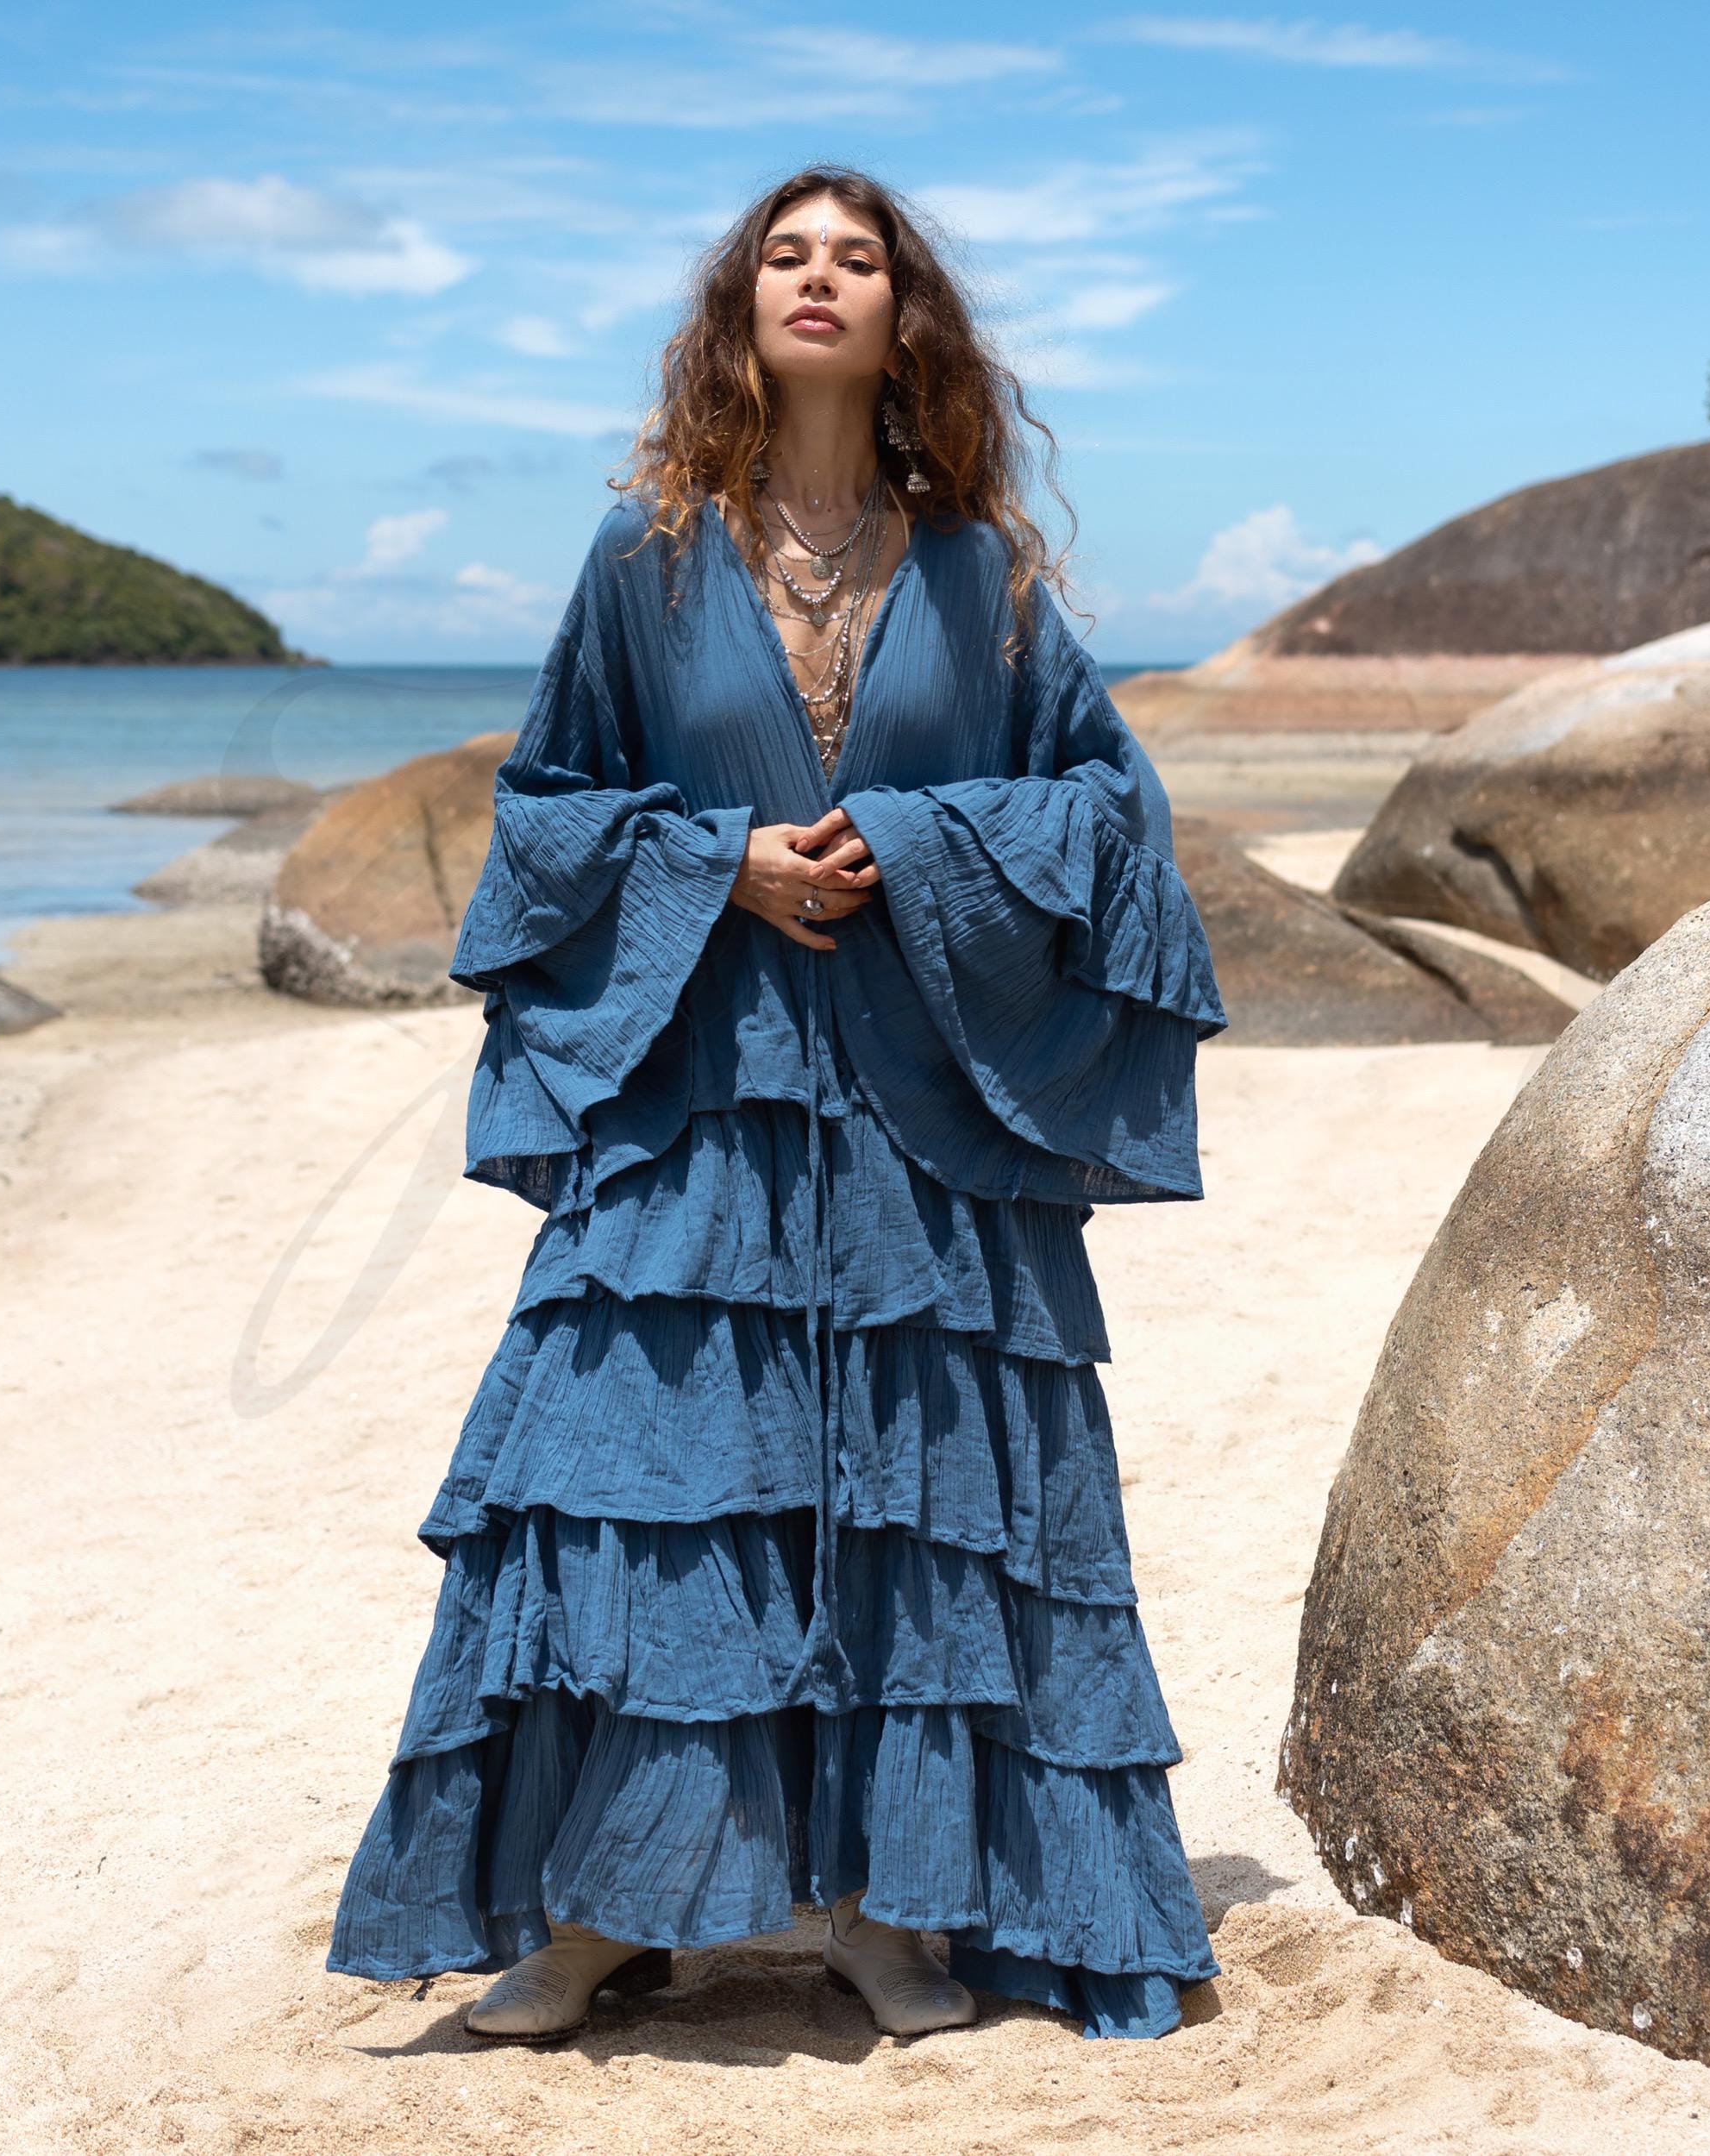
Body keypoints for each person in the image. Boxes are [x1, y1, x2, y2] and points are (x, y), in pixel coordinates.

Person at [326, 165, 1227, 2046]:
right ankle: (600, 1911)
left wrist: (914, 839)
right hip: (698, 1105)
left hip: (921, 1120)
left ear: (907, 315)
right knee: (639, 1483)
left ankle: (881, 1911)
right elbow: (545, 813)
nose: (820, 278)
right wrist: (712, 862)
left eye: (859, 257)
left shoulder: (982, 574)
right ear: (740, 309)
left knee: (915, 1500)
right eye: (786, 256)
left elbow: (1109, 807)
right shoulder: (644, 560)